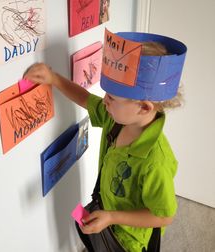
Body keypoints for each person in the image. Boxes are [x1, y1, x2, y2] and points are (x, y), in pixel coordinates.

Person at [23, 30, 187, 252]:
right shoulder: (117, 119)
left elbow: (164, 216)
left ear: (144, 107)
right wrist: (54, 78)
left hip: (130, 242)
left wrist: (112, 217)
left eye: (111, 98)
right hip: (107, 221)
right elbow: (84, 98)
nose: (105, 102)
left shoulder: (155, 161)